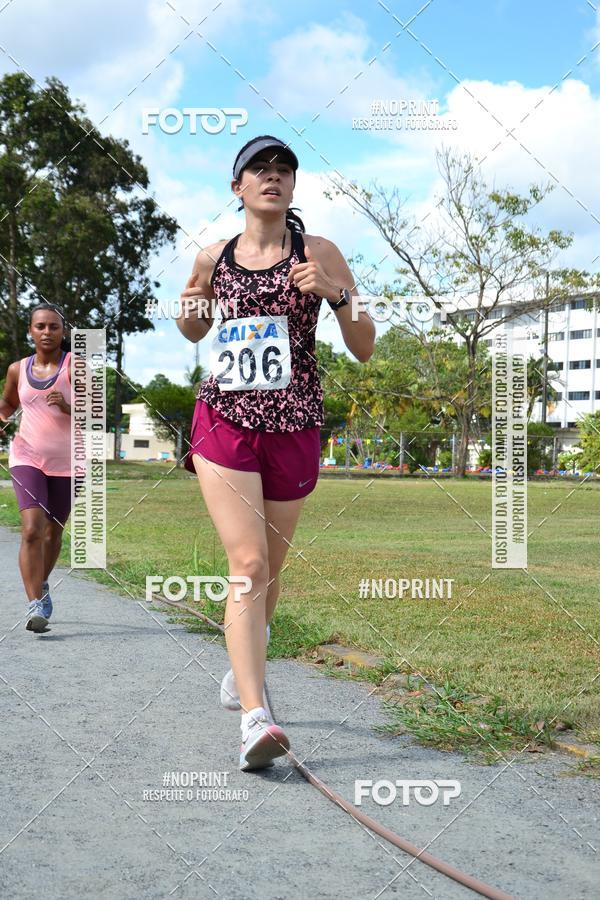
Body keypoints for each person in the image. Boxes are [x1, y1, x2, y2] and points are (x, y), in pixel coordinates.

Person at [176, 135, 375, 771]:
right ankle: (255, 718)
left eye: (283, 169)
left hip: (293, 424)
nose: (272, 176)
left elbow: (365, 344)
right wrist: (191, 296)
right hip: (226, 421)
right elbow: (191, 327)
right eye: (258, 169)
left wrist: (336, 296)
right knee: (249, 561)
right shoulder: (214, 256)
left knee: (272, 573)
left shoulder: (318, 252)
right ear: (237, 188)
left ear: (292, 186)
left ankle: (245, 664)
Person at [0, 303, 72, 633]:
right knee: (31, 528)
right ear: (30, 330)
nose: (47, 332)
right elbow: (8, 404)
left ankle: (41, 584)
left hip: (70, 463)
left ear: (63, 331)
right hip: (26, 457)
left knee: (52, 532)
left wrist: (68, 406)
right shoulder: (17, 369)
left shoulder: (77, 367)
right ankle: (34, 605)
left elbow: (97, 414)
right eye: (40, 326)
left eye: (53, 327)